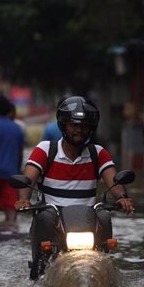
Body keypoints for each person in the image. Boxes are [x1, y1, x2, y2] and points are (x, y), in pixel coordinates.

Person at [14, 96, 135, 267]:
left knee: (104, 215)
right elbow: (29, 178)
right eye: (74, 125)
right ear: (64, 126)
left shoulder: (98, 153)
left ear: (91, 129)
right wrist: (24, 199)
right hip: (53, 217)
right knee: (45, 218)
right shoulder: (46, 150)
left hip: (87, 219)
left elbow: (112, 179)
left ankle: (103, 262)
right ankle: (41, 266)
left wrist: (122, 197)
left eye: (84, 126)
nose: (79, 130)